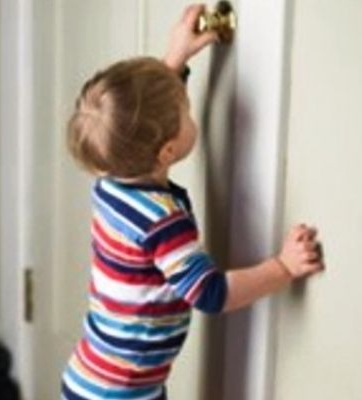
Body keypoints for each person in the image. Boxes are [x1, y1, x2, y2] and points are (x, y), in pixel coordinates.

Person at [60, 4, 324, 399]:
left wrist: (176, 57)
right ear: (167, 151)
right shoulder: (162, 222)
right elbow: (211, 293)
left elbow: (136, 124)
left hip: (90, 376)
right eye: (185, 111)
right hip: (124, 393)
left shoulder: (109, 177)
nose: (188, 110)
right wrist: (283, 267)